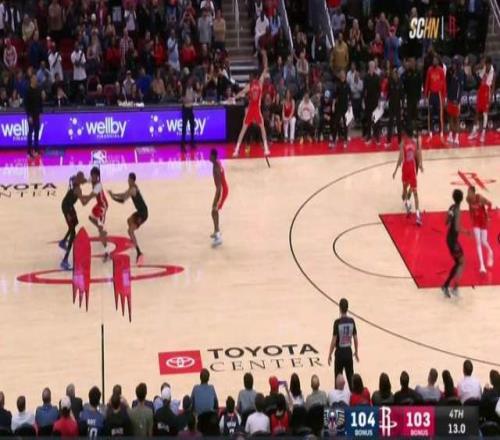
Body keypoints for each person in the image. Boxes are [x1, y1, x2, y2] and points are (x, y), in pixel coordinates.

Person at [233, 50, 270, 157]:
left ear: (255, 77)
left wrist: (264, 56)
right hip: (251, 109)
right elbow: (242, 92)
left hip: (256, 110)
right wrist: (234, 97)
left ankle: (266, 149)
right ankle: (236, 150)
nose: (252, 78)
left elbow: (266, 68)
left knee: (262, 128)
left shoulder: (260, 83)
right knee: (243, 129)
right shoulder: (250, 85)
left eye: (252, 77)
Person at [108, 172, 148, 265]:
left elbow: (122, 200)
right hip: (140, 211)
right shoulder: (132, 188)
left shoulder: (133, 189)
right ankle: (133, 241)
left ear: (132, 180)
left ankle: (139, 253)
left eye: (129, 180)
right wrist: (113, 194)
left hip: (142, 214)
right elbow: (124, 194)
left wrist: (113, 197)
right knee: (129, 220)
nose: (128, 181)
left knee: (130, 231)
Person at [328, 298, 359, 390]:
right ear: (347, 308)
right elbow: (355, 338)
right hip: (348, 351)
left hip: (340, 353)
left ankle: (337, 396)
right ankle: (353, 395)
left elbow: (334, 340)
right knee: (351, 378)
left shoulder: (337, 322)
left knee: (338, 379)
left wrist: (330, 354)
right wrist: (356, 351)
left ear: (340, 308)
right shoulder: (352, 321)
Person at [59, 171, 87, 270]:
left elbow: (81, 180)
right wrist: (91, 196)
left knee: (74, 224)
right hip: (67, 208)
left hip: (67, 204)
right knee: (73, 232)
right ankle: (64, 261)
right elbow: (83, 202)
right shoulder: (78, 190)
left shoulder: (73, 179)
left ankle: (63, 242)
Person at [392, 134, 423, 225]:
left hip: (405, 169)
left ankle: (408, 205)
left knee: (404, 191)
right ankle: (418, 216)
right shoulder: (414, 142)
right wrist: (420, 165)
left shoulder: (403, 143)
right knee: (415, 194)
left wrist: (395, 170)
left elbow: (400, 158)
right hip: (412, 170)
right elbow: (418, 155)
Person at [442, 189, 467, 298]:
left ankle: (452, 286)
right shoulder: (457, 210)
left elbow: (446, 222)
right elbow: (457, 228)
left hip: (451, 239)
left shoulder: (452, 207)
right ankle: (448, 286)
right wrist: (466, 232)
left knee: (459, 262)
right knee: (461, 262)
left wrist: (451, 220)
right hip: (453, 241)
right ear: (461, 199)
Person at [467, 186, 494, 273]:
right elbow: (470, 209)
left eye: (469, 192)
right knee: (478, 242)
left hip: (483, 220)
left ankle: (490, 251)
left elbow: (490, 203)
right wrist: (471, 219)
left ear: (473, 193)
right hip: (476, 222)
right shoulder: (468, 199)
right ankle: (482, 265)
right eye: (468, 192)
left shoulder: (480, 198)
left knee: (484, 241)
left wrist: (489, 216)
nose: (468, 194)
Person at [84, 167, 109, 260]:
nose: (92, 177)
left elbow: (91, 196)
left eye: (93, 176)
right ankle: (101, 228)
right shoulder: (92, 179)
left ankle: (107, 252)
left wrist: (82, 197)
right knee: (91, 218)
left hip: (102, 206)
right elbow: (84, 180)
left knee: (101, 231)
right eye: (91, 175)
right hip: (98, 204)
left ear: (97, 176)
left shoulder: (98, 185)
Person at [469, 57, 494, 143]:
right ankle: (474, 131)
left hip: (487, 92)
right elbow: (474, 73)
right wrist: (477, 66)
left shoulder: (493, 72)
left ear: (489, 64)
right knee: (477, 112)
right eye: (485, 64)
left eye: (487, 64)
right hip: (481, 90)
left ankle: (483, 133)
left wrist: (491, 97)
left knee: (485, 113)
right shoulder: (483, 68)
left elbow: (493, 86)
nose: (486, 66)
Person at [209, 149, 228, 247]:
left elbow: (219, 187)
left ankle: (218, 237)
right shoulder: (217, 162)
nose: (208, 157)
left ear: (213, 157)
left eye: (210, 156)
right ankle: (216, 231)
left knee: (214, 211)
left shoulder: (216, 168)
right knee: (214, 211)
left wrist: (217, 200)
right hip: (222, 189)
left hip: (221, 191)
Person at [424, 55, 446, 140]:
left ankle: (441, 132)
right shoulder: (429, 70)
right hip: (431, 94)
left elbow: (444, 84)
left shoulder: (441, 70)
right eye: (433, 60)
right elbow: (427, 83)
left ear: (438, 61)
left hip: (438, 94)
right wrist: (425, 96)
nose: (434, 62)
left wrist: (444, 96)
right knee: (430, 114)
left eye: (435, 60)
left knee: (440, 114)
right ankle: (430, 132)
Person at [24, 74, 42, 158]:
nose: (35, 80)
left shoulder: (38, 90)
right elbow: (26, 104)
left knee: (37, 133)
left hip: (37, 114)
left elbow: (40, 102)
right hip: (31, 115)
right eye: (34, 78)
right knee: (30, 133)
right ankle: (29, 151)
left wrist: (41, 113)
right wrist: (29, 115)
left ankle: (36, 149)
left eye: (36, 78)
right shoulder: (28, 90)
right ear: (31, 80)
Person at [331, 70, 350, 149]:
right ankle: (334, 140)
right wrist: (333, 105)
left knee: (345, 124)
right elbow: (334, 96)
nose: (342, 75)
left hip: (345, 107)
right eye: (341, 74)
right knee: (335, 123)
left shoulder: (347, 85)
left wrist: (349, 106)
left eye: (343, 74)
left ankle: (345, 140)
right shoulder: (337, 84)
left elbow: (349, 96)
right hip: (338, 107)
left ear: (345, 75)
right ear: (340, 76)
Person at [446, 61, 463, 146]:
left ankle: (456, 137)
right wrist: (448, 98)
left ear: (457, 65)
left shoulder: (460, 74)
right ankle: (450, 135)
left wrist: (458, 99)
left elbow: (461, 88)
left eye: (454, 64)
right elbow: (450, 86)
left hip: (456, 101)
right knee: (450, 117)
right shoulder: (452, 73)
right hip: (450, 99)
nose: (452, 65)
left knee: (456, 119)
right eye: (452, 64)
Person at [386, 68, 404, 146]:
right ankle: (388, 140)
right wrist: (386, 100)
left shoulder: (400, 83)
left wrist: (402, 107)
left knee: (399, 123)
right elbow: (388, 93)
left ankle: (400, 141)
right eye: (393, 74)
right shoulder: (390, 82)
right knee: (390, 123)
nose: (394, 75)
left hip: (398, 106)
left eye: (395, 73)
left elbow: (402, 96)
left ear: (397, 74)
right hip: (391, 105)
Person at [181, 76, 197, 152]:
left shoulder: (192, 89)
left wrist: (194, 98)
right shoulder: (184, 89)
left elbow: (194, 98)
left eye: (191, 81)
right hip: (185, 109)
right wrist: (189, 100)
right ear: (187, 81)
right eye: (190, 80)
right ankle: (183, 144)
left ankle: (192, 142)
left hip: (191, 109)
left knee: (192, 126)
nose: (191, 82)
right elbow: (183, 100)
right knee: (184, 127)